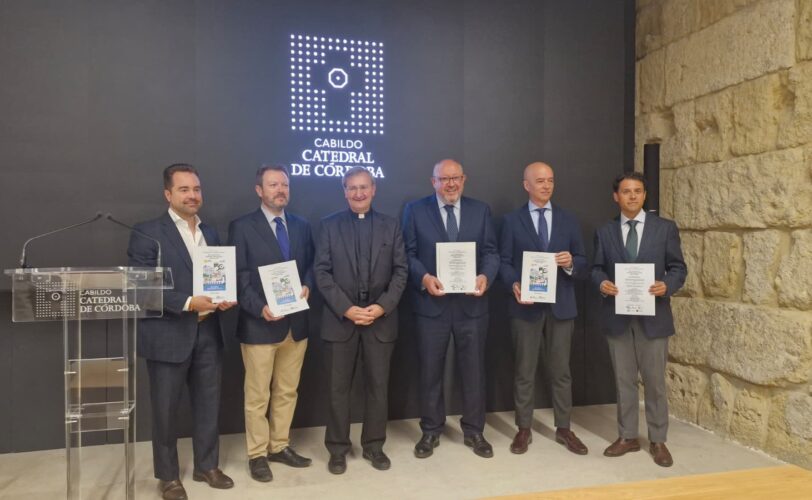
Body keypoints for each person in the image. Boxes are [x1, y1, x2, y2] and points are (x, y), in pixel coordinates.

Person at [127, 164, 236, 500]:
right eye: (185, 189)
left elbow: (217, 279)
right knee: (165, 409)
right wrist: (189, 301)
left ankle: (207, 466)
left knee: (208, 404)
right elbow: (140, 288)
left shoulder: (212, 233)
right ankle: (169, 476)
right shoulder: (147, 233)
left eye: (197, 189)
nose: (193, 195)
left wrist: (221, 299)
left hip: (208, 332)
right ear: (168, 194)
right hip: (168, 334)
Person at [402, 159, 500, 459]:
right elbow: (407, 253)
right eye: (444, 179)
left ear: (464, 179)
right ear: (433, 182)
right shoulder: (415, 210)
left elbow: (491, 253)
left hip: (472, 305)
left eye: (456, 178)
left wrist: (485, 276)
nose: (451, 184)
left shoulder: (480, 210)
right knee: (431, 371)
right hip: (432, 305)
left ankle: (474, 431)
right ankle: (431, 430)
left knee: (473, 371)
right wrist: (424, 278)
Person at [314, 167, 408, 474]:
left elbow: (401, 272)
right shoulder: (329, 226)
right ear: (344, 191)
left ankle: (374, 446)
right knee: (337, 389)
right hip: (340, 320)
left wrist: (381, 307)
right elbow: (322, 272)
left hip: (380, 321)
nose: (358, 193)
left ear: (374, 189)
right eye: (352, 188)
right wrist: (346, 308)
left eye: (363, 187)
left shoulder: (391, 226)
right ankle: (338, 448)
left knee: (378, 387)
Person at [591, 171, 687, 467]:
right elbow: (595, 268)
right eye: (626, 191)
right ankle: (628, 436)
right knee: (624, 381)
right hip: (618, 316)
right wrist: (602, 283)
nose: (632, 196)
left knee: (655, 382)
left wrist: (667, 286)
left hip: (654, 316)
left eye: (637, 191)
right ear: (615, 196)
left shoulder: (665, 229)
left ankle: (658, 440)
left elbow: (678, 268)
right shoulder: (604, 232)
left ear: (644, 196)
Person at [227, 165, 314, 482]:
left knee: (287, 392)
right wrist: (260, 308)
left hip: (296, 325)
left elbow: (313, 266)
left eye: (285, 185)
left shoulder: (302, 226)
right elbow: (238, 277)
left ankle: (279, 445)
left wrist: (308, 286)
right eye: (273, 184)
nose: (281, 190)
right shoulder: (242, 226)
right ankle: (257, 454)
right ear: (259, 190)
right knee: (258, 395)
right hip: (259, 325)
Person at [499, 162, 589, 455]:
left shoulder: (568, 219)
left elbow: (583, 261)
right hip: (526, 306)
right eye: (540, 181)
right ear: (526, 185)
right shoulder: (512, 221)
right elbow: (504, 261)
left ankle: (564, 428)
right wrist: (513, 284)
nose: (546, 186)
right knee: (524, 370)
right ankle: (524, 428)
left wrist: (571, 263)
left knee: (561, 371)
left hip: (561, 305)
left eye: (550, 180)